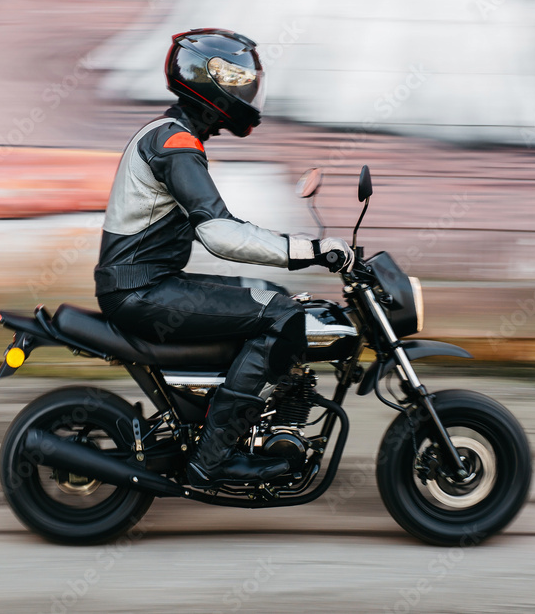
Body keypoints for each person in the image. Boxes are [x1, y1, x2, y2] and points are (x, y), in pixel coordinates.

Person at [94, 28, 353, 488]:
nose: (248, 90)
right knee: (278, 314)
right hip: (141, 292)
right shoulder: (174, 145)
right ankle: (212, 460)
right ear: (210, 82)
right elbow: (218, 232)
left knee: (273, 298)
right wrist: (309, 251)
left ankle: (239, 424)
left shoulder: (175, 138)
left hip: (149, 284)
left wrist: (295, 253)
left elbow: (219, 226)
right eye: (240, 80)